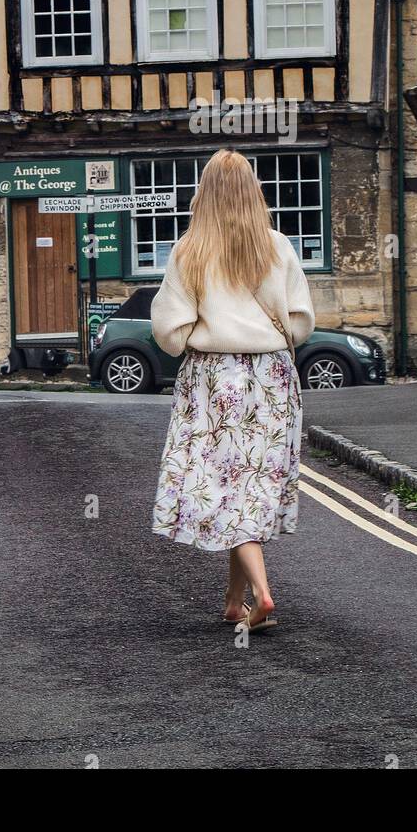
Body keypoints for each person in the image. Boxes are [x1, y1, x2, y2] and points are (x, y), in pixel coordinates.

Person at [150, 149, 315, 631]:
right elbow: (302, 321)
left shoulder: (189, 250)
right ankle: (232, 600)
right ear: (253, 191)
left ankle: (262, 596)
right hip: (273, 378)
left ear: (204, 193)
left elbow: (170, 331)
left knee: (226, 488)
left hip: (215, 379)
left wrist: (201, 333)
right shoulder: (278, 246)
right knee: (250, 486)